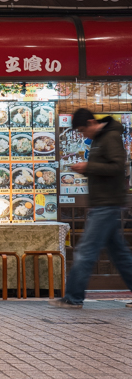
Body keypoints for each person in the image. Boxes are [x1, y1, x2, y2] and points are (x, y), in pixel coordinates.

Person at [51, 108, 132, 309]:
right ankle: (73, 296)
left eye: (81, 130)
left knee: (85, 251)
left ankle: (73, 297)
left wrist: (88, 167)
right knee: (120, 255)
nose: (82, 135)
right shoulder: (99, 138)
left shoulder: (110, 136)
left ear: (90, 122)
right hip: (102, 203)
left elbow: (117, 167)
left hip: (107, 204)